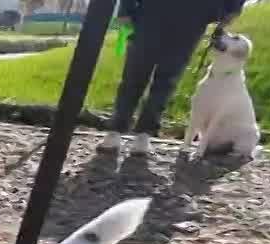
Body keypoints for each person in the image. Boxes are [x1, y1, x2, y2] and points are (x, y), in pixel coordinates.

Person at [99, 0, 246, 157]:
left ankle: (144, 134)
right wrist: (125, 10)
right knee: (134, 76)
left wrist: (230, 9)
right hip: (150, 12)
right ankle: (115, 130)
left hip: (193, 18)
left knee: (166, 81)